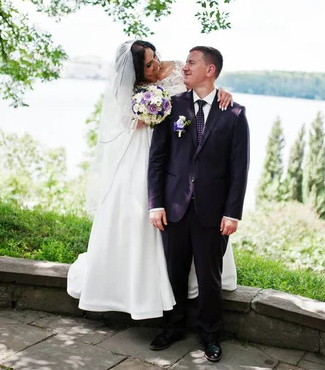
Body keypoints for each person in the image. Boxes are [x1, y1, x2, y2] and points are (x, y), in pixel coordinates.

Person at [66, 40, 237, 320]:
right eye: (148, 64)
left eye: (155, 56)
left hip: (178, 153)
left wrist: (221, 93)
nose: (156, 64)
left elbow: (203, 86)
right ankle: (137, 287)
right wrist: (146, 114)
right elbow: (125, 120)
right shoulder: (131, 88)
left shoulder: (176, 69)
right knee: (137, 215)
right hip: (143, 151)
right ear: (137, 71)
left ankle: (187, 285)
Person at [147, 46, 250, 362]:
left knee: (209, 278)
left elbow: (239, 168)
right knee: (174, 272)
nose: (185, 67)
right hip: (175, 208)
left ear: (211, 70)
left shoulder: (234, 114)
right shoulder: (171, 106)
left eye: (192, 62)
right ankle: (173, 327)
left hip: (213, 213)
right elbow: (158, 158)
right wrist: (156, 203)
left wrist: (233, 213)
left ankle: (210, 335)